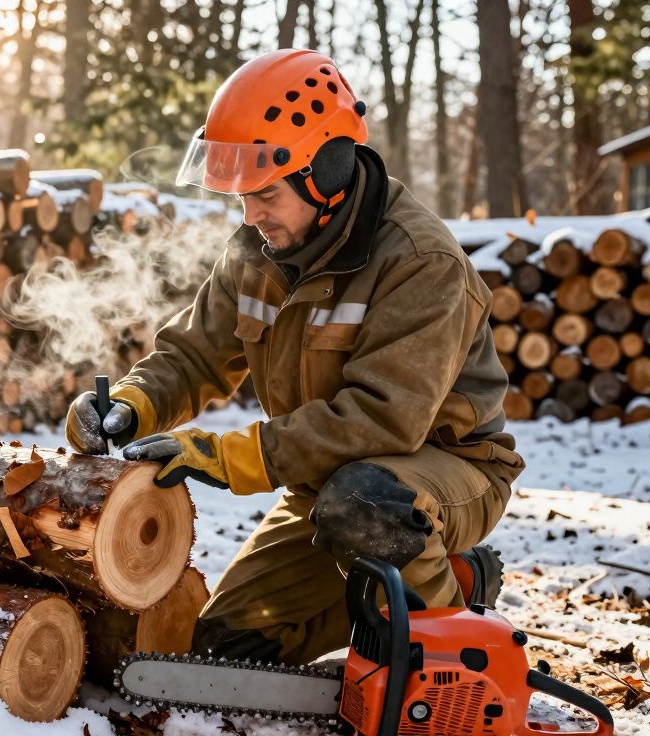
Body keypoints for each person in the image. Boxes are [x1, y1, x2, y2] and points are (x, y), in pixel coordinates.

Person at [64, 49, 525, 667]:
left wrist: (232, 456)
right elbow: (196, 355)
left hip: (439, 471)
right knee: (225, 649)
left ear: (328, 171)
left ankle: (455, 666)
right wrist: (131, 403)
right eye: (242, 197)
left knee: (368, 504)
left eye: (267, 194)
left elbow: (381, 420)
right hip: (325, 483)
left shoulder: (421, 262)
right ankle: (446, 582)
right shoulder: (259, 251)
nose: (252, 215)